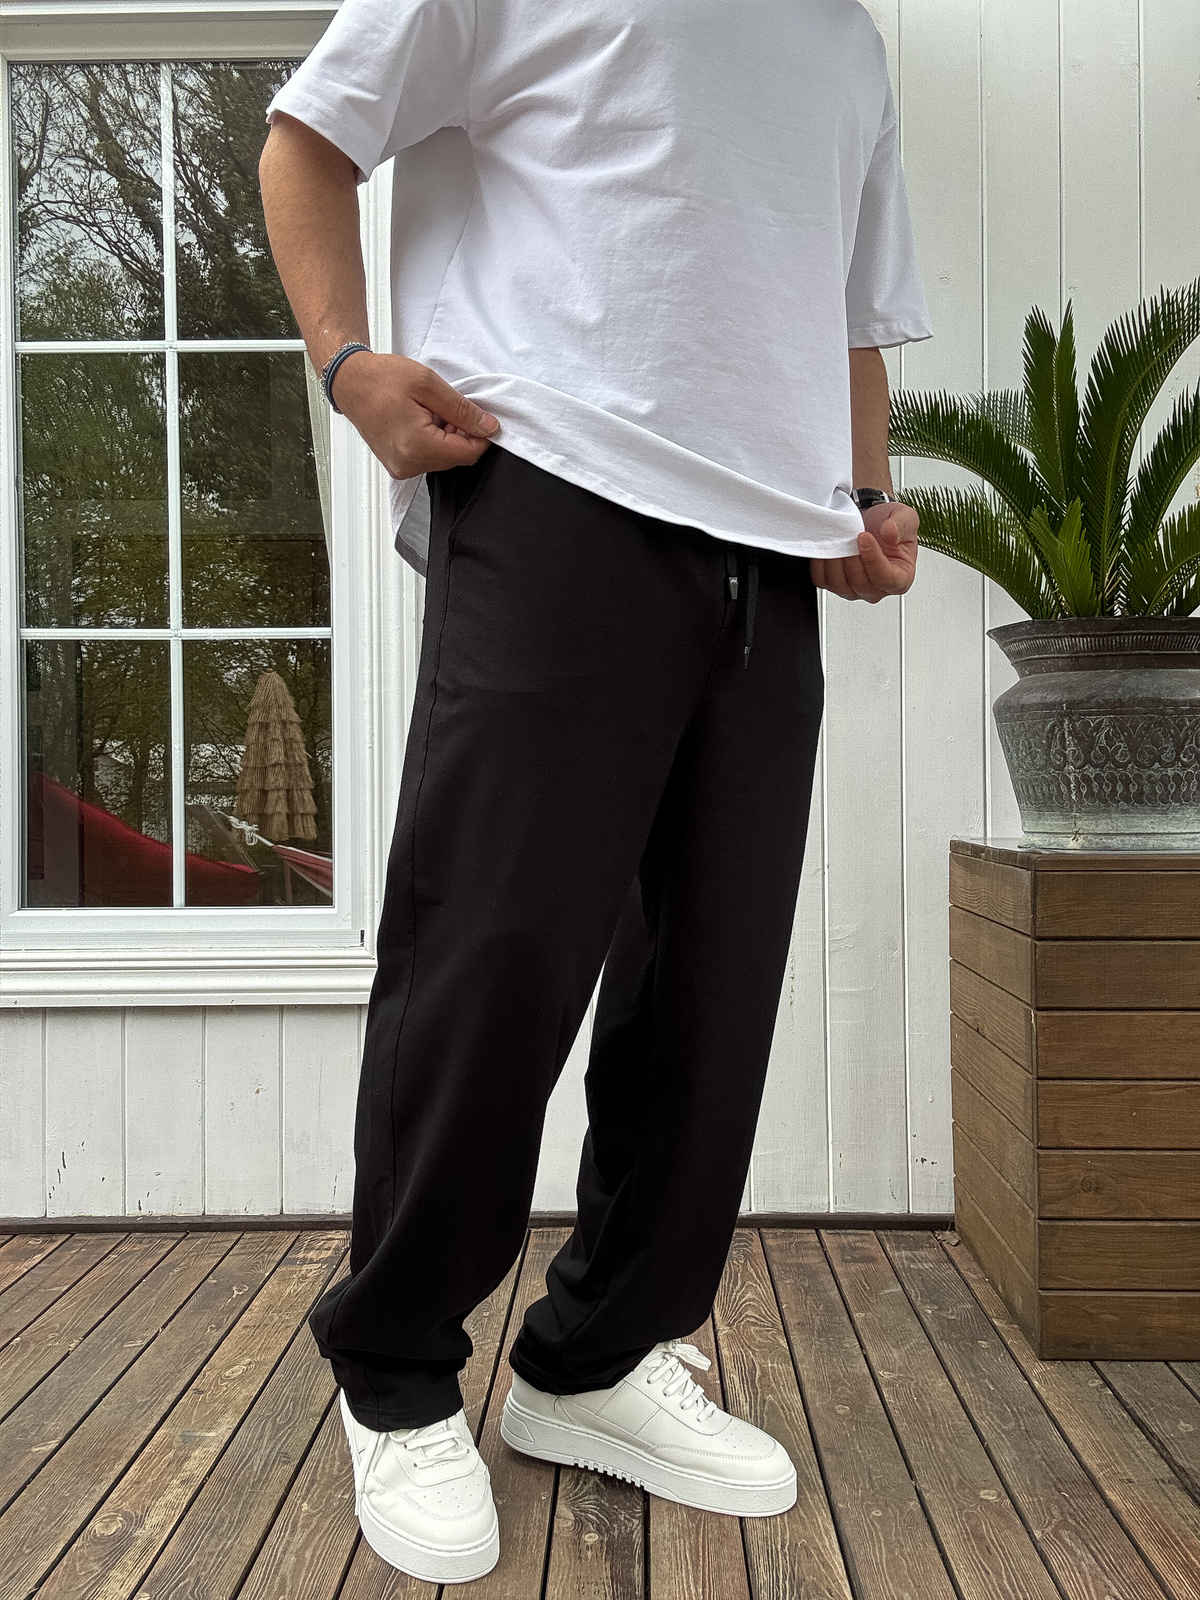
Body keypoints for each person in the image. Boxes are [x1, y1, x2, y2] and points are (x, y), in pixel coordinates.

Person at [259, 0, 931, 1582]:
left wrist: (866, 493)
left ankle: (598, 1360)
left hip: (771, 551)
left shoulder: (845, 40)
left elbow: (847, 313)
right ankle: (395, 1364)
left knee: (712, 990)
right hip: (556, 483)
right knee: (493, 954)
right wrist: (349, 365)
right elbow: (307, 142)